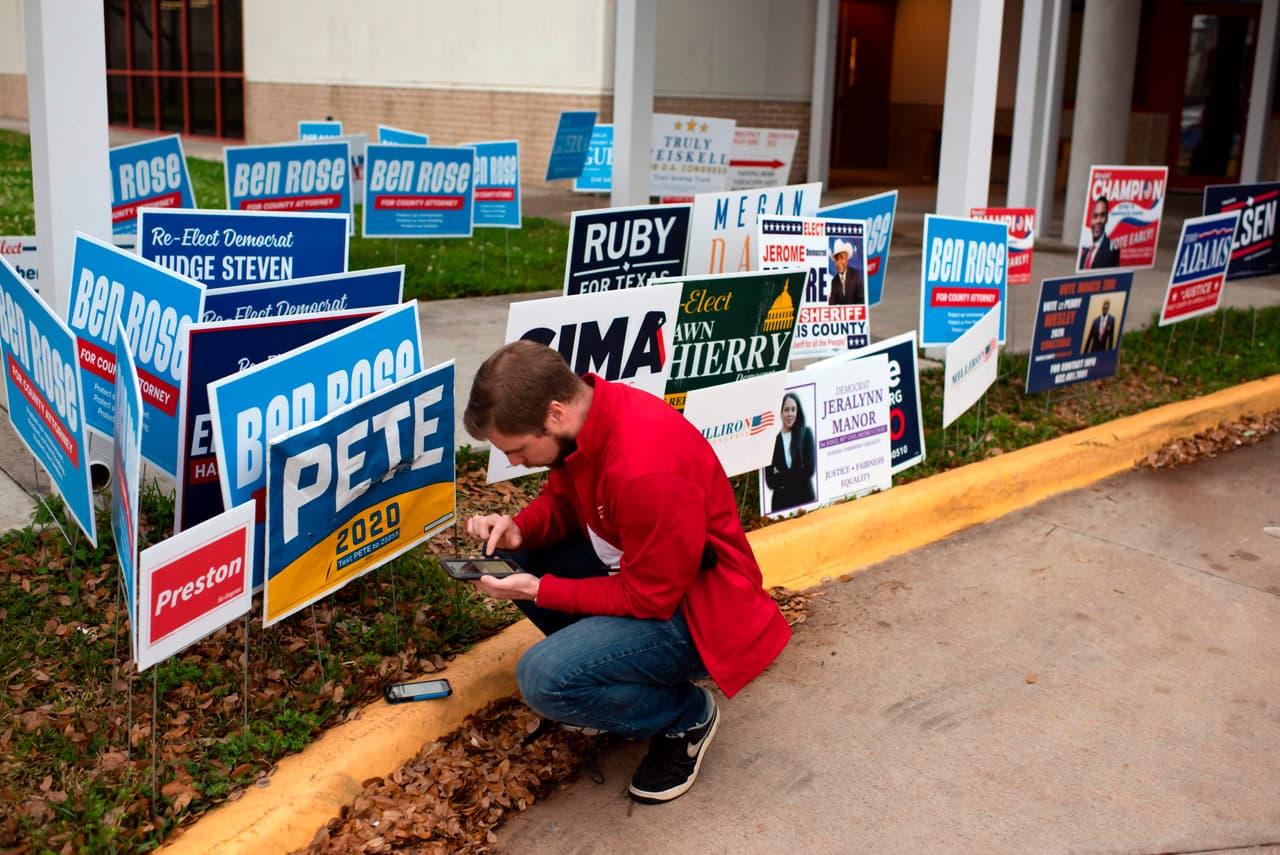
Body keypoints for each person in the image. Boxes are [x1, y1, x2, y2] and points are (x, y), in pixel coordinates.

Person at [461, 340, 791, 804]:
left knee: (544, 679)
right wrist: (519, 530)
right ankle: (608, 675)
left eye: (516, 449)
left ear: (555, 414)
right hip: (651, 579)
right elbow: (564, 499)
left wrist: (542, 591)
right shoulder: (593, 415)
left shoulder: (641, 467)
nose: (513, 462)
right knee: (514, 555)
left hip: (702, 614)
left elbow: (648, 599)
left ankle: (686, 717)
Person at [762, 392, 815, 513]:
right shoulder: (772, 442)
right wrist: (797, 474)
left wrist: (781, 476)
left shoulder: (806, 434)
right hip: (781, 505)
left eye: (793, 410)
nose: (790, 414)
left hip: (805, 501)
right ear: (780, 413)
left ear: (797, 412)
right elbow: (770, 481)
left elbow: (809, 469)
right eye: (786, 410)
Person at [1079, 196, 1120, 270]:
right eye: (1095, 216)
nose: (1098, 221)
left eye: (1102, 215)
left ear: (1107, 218)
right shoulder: (1084, 256)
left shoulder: (1111, 250)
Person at [828, 238, 865, 305]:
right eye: (837, 259)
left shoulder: (856, 276)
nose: (839, 262)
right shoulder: (834, 281)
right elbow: (832, 303)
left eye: (842, 258)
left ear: (847, 259)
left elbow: (861, 299)